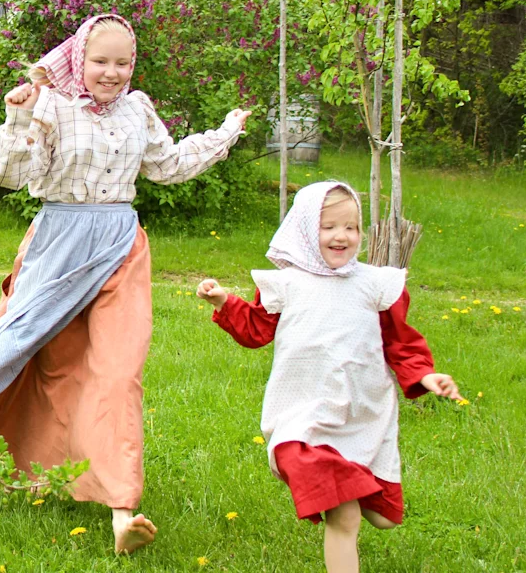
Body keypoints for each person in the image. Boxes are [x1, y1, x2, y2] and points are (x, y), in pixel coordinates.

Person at [0, 14, 250, 554]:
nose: (112, 73)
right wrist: (17, 119)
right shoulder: (51, 105)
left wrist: (226, 133)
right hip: (58, 243)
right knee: (19, 352)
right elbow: (7, 176)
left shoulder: (139, 108)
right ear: (79, 59)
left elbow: (167, 164)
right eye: (100, 61)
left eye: (123, 62)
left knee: (118, 373)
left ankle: (122, 510)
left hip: (120, 247)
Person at [197, 181, 462, 573]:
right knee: (346, 517)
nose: (342, 236)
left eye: (351, 227)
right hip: (303, 419)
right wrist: (224, 301)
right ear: (305, 229)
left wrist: (425, 376)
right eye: (329, 227)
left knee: (384, 518)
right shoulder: (286, 283)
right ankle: (330, 493)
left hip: (362, 417)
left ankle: (349, 485)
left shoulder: (376, 285)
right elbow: (255, 330)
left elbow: (401, 343)